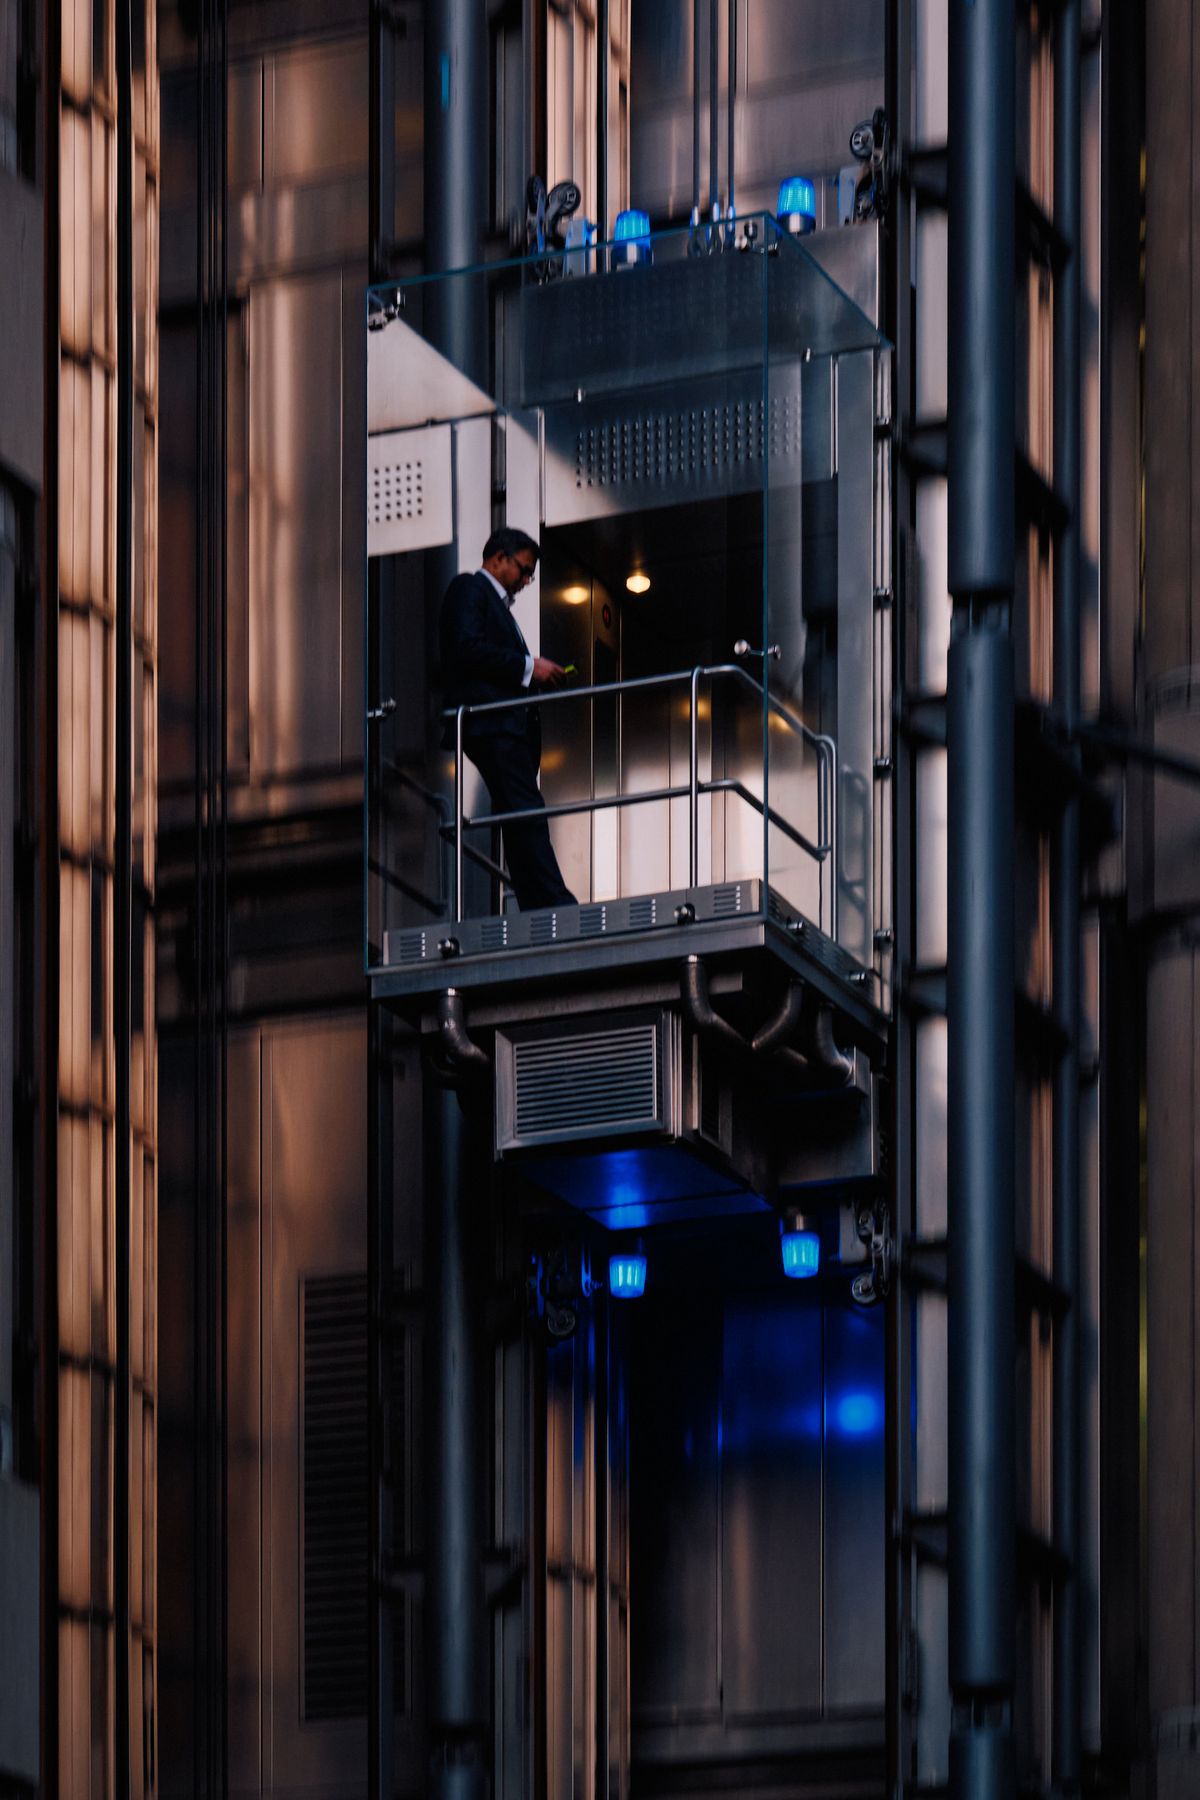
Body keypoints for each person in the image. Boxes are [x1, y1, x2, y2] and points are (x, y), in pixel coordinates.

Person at [440, 527, 577, 912]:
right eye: (523, 570)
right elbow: (465, 648)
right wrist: (527, 668)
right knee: (526, 813)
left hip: (501, 725)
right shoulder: (470, 589)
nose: (526, 580)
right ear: (498, 558)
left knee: (519, 814)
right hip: (492, 725)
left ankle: (539, 901)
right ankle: (553, 902)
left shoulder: (491, 602)